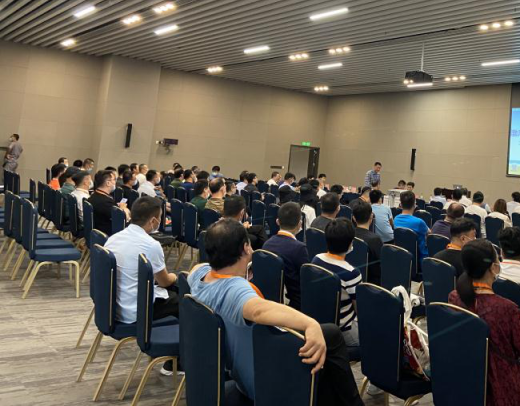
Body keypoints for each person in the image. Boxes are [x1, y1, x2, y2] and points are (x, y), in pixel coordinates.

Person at [188, 219, 364, 405]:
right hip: (261, 379)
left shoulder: (199, 277)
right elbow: (258, 311)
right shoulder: (234, 289)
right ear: (246, 248)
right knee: (331, 336)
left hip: (240, 368)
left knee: (324, 355)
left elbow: (196, 268)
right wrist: (310, 323)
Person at [448, 240, 520, 406]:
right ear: (494, 267)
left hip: (466, 377)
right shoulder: (506, 308)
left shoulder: (454, 297)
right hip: (501, 384)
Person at [105, 196, 179, 363]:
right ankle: (173, 360)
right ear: (153, 221)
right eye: (160, 218)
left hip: (115, 306)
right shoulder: (151, 245)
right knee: (185, 302)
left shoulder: (113, 238)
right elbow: (165, 281)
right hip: (136, 310)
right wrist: (176, 276)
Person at [312, 219, 361, 347]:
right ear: (350, 243)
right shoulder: (352, 273)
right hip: (344, 331)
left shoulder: (316, 259)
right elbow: (360, 310)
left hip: (318, 324)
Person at [263, 202, 309, 309]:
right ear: (300, 224)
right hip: (295, 305)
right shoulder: (299, 248)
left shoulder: (267, 243)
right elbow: (306, 279)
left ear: (277, 221)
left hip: (271, 300)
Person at [89, 169, 129, 236]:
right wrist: (122, 209)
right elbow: (121, 219)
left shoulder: (94, 195)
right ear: (108, 183)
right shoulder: (105, 202)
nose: (115, 182)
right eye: (114, 180)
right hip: (108, 234)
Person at [351, 200, 382, 282]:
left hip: (351, 275)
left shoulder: (347, 234)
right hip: (370, 282)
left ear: (353, 218)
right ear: (371, 216)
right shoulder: (375, 239)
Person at [393, 190, 429, 258]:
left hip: (400, 254)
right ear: (414, 205)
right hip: (418, 257)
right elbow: (429, 233)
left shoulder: (396, 219)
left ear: (400, 204)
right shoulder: (419, 222)